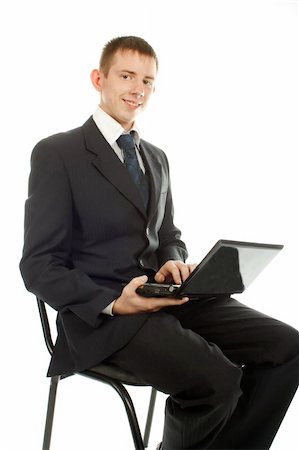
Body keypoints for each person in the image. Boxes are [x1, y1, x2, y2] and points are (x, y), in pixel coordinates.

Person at [20, 35, 299, 450]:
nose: (138, 89)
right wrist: (116, 302)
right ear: (99, 78)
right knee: (217, 380)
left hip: (168, 296)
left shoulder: (156, 157)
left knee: (287, 349)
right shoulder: (57, 153)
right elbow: (39, 265)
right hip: (106, 318)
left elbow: (169, 235)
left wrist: (174, 261)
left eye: (148, 81)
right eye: (127, 76)